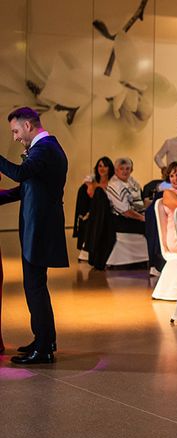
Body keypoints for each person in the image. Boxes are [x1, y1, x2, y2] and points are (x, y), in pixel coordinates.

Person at [0, 107, 68, 364]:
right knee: (36, 285)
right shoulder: (45, 149)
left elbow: (19, 173)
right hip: (38, 228)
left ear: (28, 126)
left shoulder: (45, 149)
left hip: (39, 230)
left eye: (16, 131)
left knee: (35, 287)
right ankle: (44, 339)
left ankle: (44, 349)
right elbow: (24, 188)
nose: (15, 137)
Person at [106, 157, 145, 235]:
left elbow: (141, 200)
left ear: (131, 170)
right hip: (123, 222)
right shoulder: (115, 185)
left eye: (127, 169)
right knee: (152, 227)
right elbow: (126, 212)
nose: (125, 171)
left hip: (136, 217)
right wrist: (143, 218)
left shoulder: (131, 180)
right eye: (122, 169)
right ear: (116, 170)